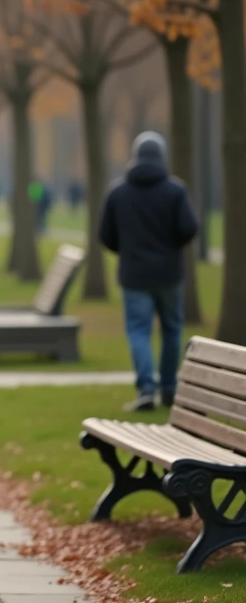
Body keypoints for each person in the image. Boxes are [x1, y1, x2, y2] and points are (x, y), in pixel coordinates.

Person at [99, 131, 199, 412]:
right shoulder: (175, 190)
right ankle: (169, 388)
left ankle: (146, 388)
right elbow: (189, 228)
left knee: (138, 330)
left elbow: (105, 235)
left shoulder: (118, 192)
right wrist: (171, 247)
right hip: (169, 273)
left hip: (134, 275)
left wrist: (129, 251)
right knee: (171, 330)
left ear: (135, 156)